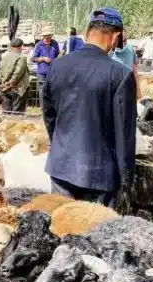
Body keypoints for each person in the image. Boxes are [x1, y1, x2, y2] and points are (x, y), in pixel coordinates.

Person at [44, 8, 136, 207]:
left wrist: (61, 146)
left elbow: (49, 116)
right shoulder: (120, 75)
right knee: (96, 236)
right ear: (116, 37)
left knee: (61, 231)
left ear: (88, 33)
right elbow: (124, 134)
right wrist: (127, 179)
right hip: (99, 177)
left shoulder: (58, 66)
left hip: (61, 168)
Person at [0, 38, 30, 115]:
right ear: (20, 46)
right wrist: (10, 84)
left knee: (6, 110)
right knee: (17, 112)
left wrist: (4, 83)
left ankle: (6, 125)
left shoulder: (4, 56)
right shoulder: (21, 58)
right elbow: (17, 73)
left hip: (5, 88)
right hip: (18, 88)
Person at [110, 31, 141, 98]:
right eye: (121, 42)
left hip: (128, 86)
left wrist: (138, 93)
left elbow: (135, 66)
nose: (123, 44)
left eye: (125, 41)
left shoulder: (130, 49)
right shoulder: (109, 52)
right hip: (114, 88)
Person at [33, 29, 59, 102]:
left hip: (52, 71)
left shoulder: (54, 43)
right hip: (42, 72)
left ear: (51, 36)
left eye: (49, 37)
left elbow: (58, 55)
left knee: (52, 89)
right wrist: (43, 58)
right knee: (42, 90)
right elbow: (33, 58)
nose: (47, 38)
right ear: (43, 37)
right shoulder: (39, 45)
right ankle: (43, 107)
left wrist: (54, 60)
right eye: (46, 37)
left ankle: (52, 107)